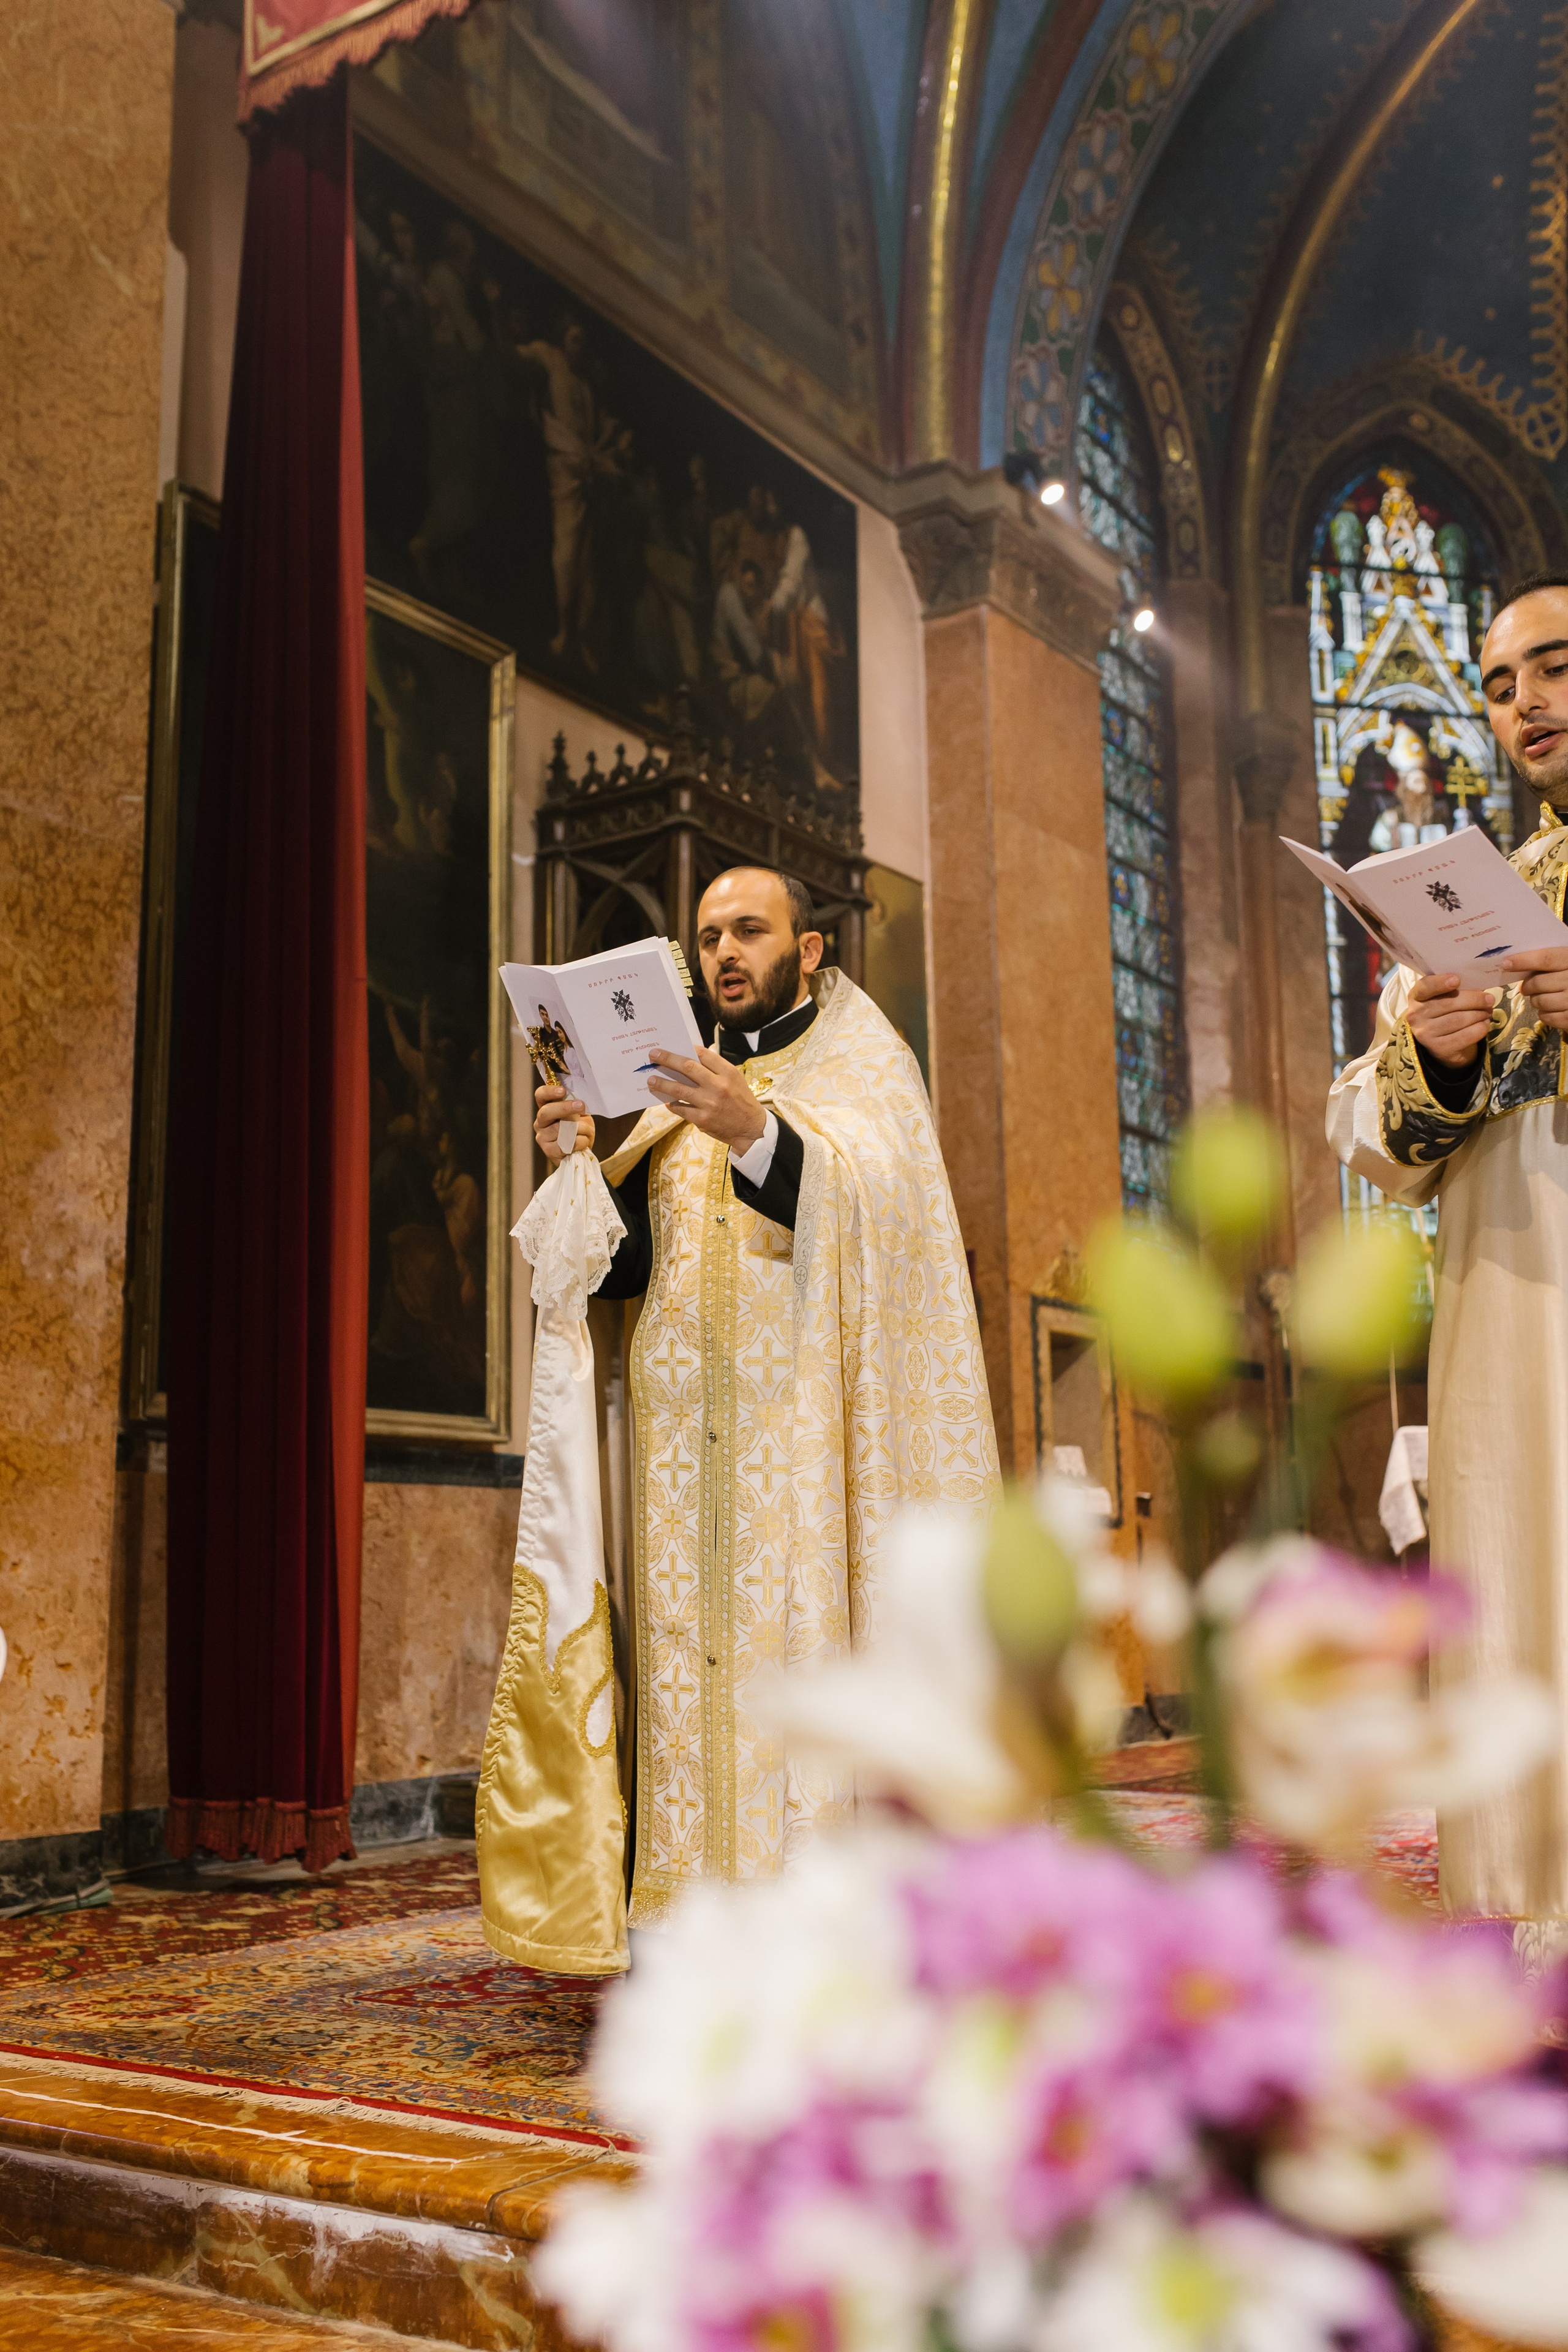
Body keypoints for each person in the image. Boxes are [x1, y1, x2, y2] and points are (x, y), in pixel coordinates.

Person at [529, 867, 995, 1928]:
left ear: (810, 949)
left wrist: (758, 1133)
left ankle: (818, 1927)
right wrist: (580, 1161)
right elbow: (619, 1273)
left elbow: (893, 1226)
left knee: (798, 1674)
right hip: (680, 1470)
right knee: (689, 1700)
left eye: (749, 930)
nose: (725, 953)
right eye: (707, 938)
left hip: (807, 1451)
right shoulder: (666, 1089)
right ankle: (689, 1926)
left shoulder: (867, 1066)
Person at [1329, 571, 1568, 1956]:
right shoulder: (1469, 893)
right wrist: (1434, 1049)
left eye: (1550, 666)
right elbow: (1372, 1131)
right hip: (1499, 1314)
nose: (1522, 701)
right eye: (1496, 682)